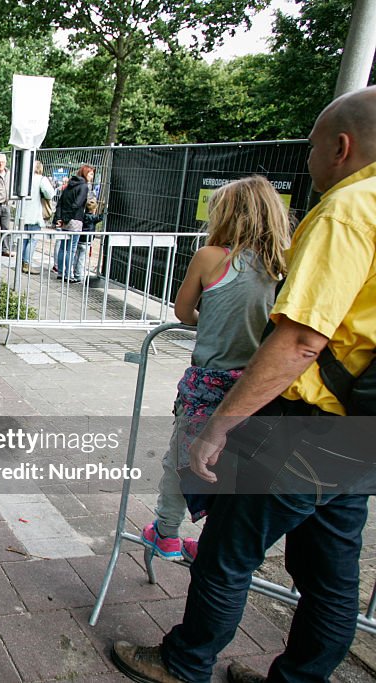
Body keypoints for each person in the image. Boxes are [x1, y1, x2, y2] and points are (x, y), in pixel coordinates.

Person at [111, 85, 376, 683]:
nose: (307, 163)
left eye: (310, 149)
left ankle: (184, 663)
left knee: (227, 556)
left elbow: (301, 340)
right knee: (331, 576)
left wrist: (219, 430)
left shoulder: (349, 210)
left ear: (341, 145)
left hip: (309, 428)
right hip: (365, 431)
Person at [139, 176, 290, 564]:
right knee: (228, 471)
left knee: (182, 459)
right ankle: (212, 542)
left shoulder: (211, 257)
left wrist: (209, 318)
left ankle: (166, 533)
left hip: (208, 381)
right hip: (256, 387)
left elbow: (182, 310)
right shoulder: (283, 266)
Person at [54, 164, 94, 282]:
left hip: (65, 220)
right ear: (85, 174)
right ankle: (68, 274)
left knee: (63, 247)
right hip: (75, 220)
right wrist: (67, 217)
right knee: (71, 249)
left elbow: (60, 202)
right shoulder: (83, 187)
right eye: (91, 174)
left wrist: (60, 218)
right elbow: (77, 204)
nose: (92, 176)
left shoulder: (69, 185)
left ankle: (61, 272)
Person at [19, 160, 55, 274]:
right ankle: (27, 263)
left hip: (23, 213)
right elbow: (50, 193)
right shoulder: (41, 179)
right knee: (33, 239)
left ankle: (21, 262)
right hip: (35, 213)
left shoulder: (25, 178)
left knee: (24, 239)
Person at [73, 195, 104, 281]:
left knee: (76, 257)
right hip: (86, 241)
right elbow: (101, 217)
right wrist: (104, 209)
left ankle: (74, 272)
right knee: (81, 259)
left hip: (79, 239)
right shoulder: (92, 217)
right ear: (94, 209)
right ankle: (78, 275)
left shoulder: (82, 215)